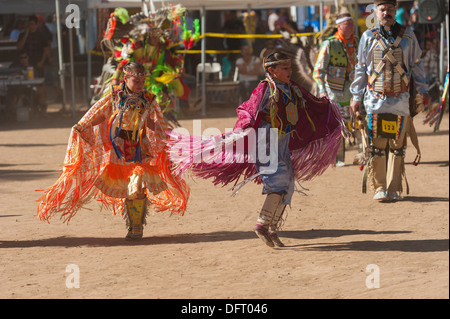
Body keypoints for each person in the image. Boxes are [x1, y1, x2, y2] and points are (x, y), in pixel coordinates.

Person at [168, 52, 345, 247]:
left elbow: (311, 102)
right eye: (284, 68)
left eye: (289, 67)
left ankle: (272, 228)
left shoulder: (292, 88)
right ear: (272, 70)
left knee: (287, 183)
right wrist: (244, 128)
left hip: (282, 140)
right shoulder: (265, 89)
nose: (290, 71)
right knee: (277, 181)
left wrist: (328, 107)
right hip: (266, 140)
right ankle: (262, 224)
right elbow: (248, 110)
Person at [37, 62, 190, 240]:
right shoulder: (115, 95)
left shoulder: (148, 99)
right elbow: (102, 115)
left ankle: (137, 227)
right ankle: (133, 225)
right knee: (129, 189)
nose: (140, 84)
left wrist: (164, 132)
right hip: (119, 148)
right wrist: (84, 125)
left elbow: (149, 122)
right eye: (136, 80)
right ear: (126, 78)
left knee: (138, 184)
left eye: (143, 81)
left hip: (140, 147)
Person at [350, 0, 428, 201]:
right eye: (382, 9)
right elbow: (360, 69)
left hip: (400, 101)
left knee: (397, 145)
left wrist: (422, 90)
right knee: (376, 145)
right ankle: (380, 188)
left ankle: (394, 188)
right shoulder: (367, 37)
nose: (386, 12)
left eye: (390, 9)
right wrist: (355, 96)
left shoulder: (408, 36)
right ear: (375, 11)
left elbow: (417, 66)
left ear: (395, 11)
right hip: (375, 101)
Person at [313, 12, 361, 166]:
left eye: (352, 23)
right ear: (339, 26)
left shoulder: (358, 42)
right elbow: (318, 70)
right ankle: (338, 158)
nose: (352, 26)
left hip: (354, 91)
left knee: (359, 121)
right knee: (337, 125)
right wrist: (322, 90)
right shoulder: (330, 44)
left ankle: (362, 154)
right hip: (334, 90)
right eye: (348, 24)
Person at [16, 15, 51, 114]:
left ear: (36, 25)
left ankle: (40, 108)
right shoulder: (22, 35)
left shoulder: (41, 35)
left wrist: (42, 61)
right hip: (25, 64)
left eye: (32, 24)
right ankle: (32, 106)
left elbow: (46, 49)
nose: (31, 26)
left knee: (38, 86)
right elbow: (19, 47)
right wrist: (26, 34)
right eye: (29, 24)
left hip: (37, 64)